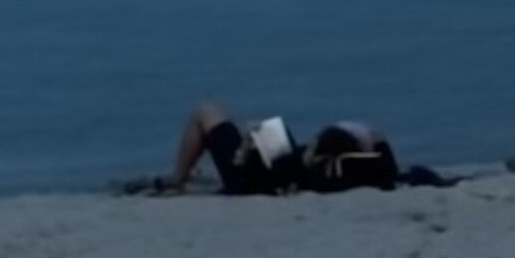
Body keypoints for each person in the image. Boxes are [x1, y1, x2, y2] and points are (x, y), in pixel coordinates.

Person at [146, 103, 447, 195]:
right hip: (277, 165)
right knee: (261, 125)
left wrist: (250, 141)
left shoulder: (297, 167)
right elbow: (377, 141)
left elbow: (244, 164)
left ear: (317, 152)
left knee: (206, 112)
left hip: (253, 175)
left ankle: (178, 178)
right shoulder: (368, 170)